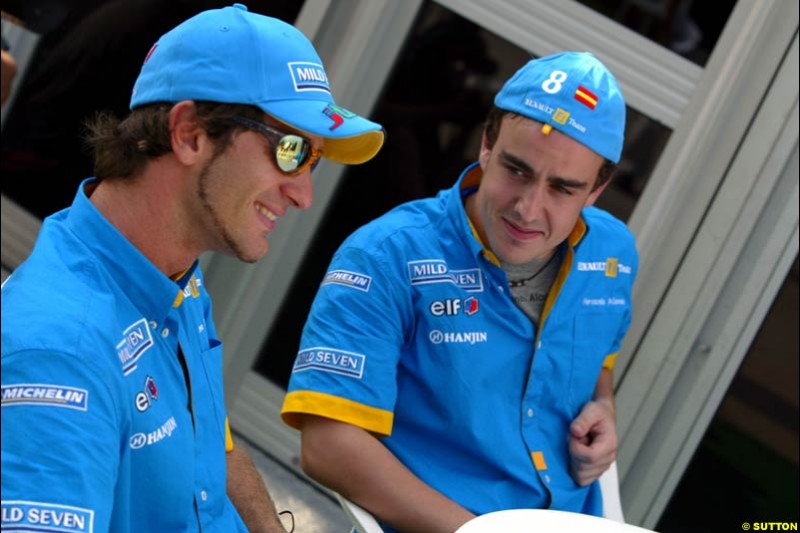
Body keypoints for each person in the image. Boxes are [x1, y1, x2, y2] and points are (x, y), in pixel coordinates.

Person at [1, 4, 384, 533]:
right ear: (189, 133)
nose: (303, 194)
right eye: (291, 150)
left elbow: (210, 444)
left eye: (313, 161)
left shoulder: (171, 270)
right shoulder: (62, 353)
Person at [281, 51, 637, 533]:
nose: (528, 210)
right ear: (486, 145)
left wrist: (604, 409)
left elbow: (598, 364)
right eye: (517, 170)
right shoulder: (388, 254)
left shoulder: (613, 252)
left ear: (597, 190)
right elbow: (326, 445)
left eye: (563, 189)